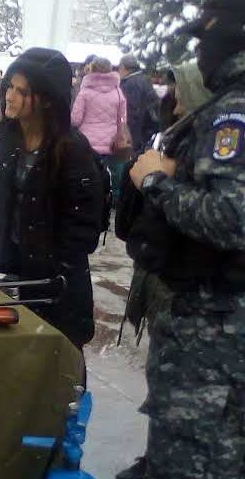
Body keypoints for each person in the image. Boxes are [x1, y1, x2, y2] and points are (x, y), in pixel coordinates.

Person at [115, 1, 245, 477]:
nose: (200, 48)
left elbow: (233, 217)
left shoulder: (234, 109)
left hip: (213, 339)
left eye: (206, 34)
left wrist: (157, 181)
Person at [0, 48, 104, 349]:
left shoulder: (72, 151)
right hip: (9, 273)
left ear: (47, 98)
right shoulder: (6, 140)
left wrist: (51, 269)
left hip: (55, 289)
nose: (10, 96)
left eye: (23, 91)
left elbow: (84, 228)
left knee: (56, 374)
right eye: (10, 86)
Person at [71, 56, 127, 203]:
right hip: (110, 143)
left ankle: (88, 199)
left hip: (87, 143)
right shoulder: (118, 92)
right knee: (113, 172)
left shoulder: (85, 92)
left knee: (88, 174)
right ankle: (113, 199)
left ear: (92, 69)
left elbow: (75, 120)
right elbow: (122, 119)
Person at [119, 54, 160, 155]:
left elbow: (132, 111)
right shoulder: (143, 79)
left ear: (123, 67)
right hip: (148, 128)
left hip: (137, 131)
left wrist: (129, 136)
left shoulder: (130, 84)